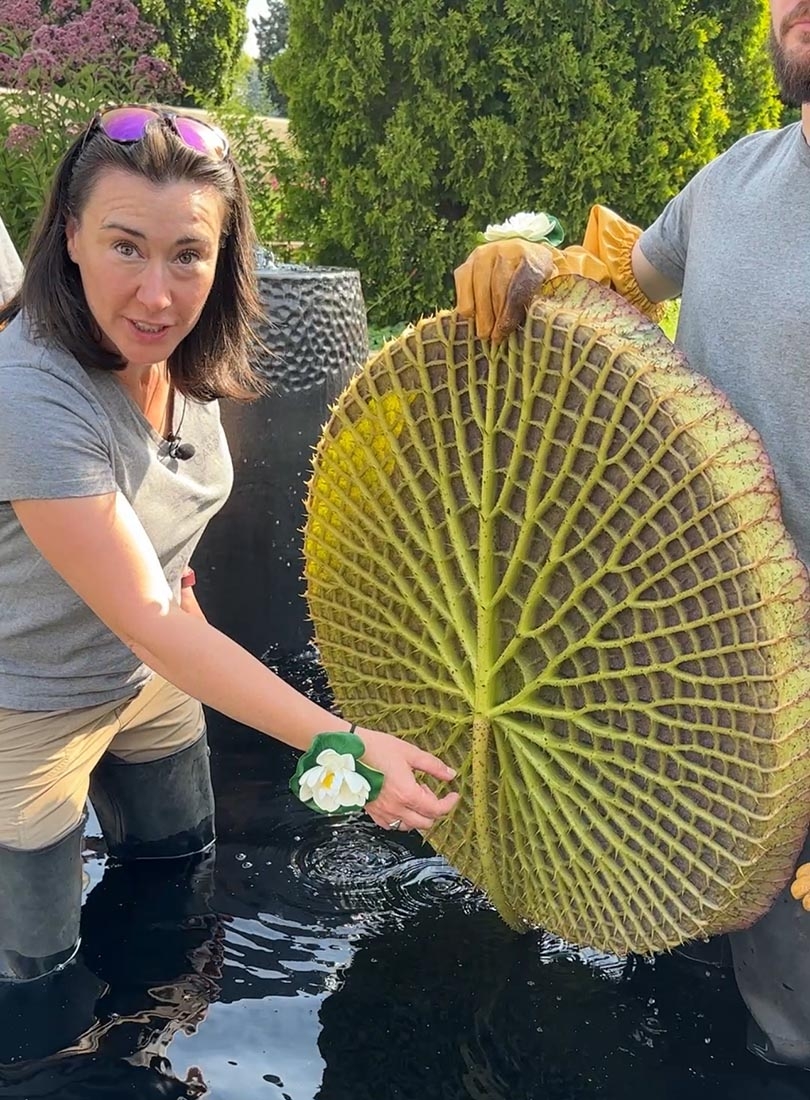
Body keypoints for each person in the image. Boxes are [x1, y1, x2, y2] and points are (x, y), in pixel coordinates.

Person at [0, 105, 459, 1003]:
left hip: (152, 681)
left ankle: (158, 1021)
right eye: (125, 246)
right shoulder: (29, 394)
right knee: (35, 978)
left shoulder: (188, 355)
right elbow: (145, 614)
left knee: (177, 872)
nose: (158, 295)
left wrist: (174, 579)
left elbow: (159, 584)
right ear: (69, 240)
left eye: (188, 254)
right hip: (28, 704)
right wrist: (350, 750)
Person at [453, 0, 810, 1071]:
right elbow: (621, 293)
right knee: (744, 987)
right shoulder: (734, 180)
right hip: (697, 664)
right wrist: (526, 269)